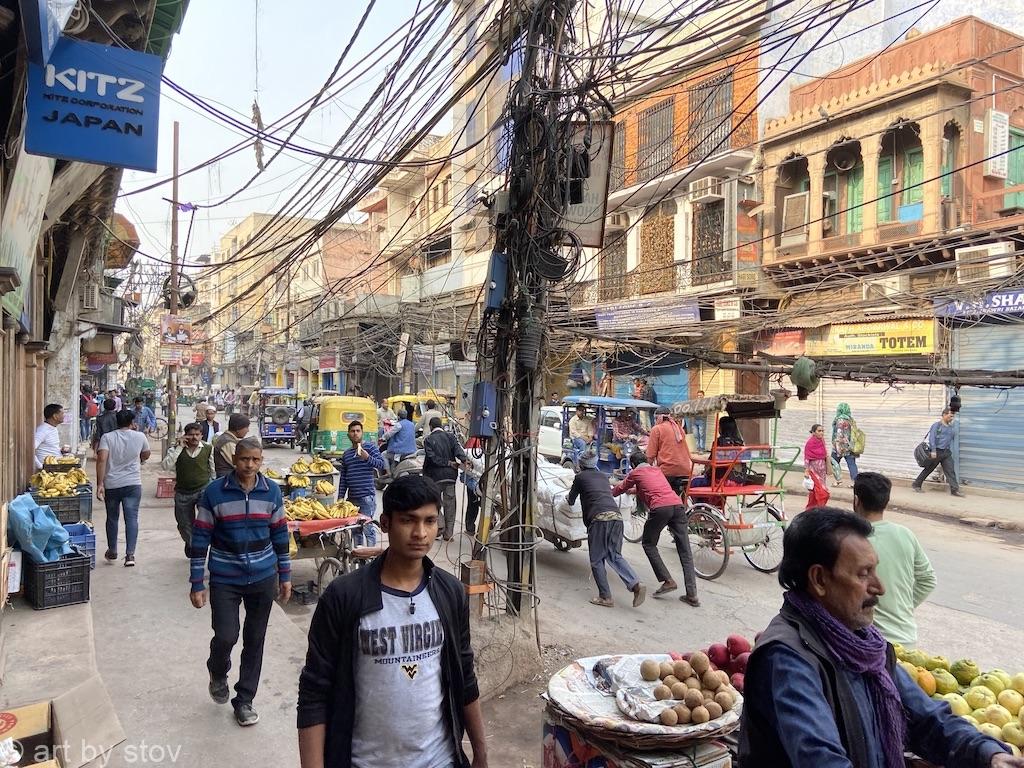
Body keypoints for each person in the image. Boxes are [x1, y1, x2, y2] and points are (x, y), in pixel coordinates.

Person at [738, 506, 1021, 768]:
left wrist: (990, 754)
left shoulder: (865, 646)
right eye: (864, 574)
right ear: (820, 580)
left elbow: (926, 719)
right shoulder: (788, 659)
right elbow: (822, 760)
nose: (879, 587)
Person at [297, 475, 488, 768]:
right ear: (385, 523)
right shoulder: (345, 596)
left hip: (439, 760)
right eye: (408, 521)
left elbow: (464, 677)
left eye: (429, 521)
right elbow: (314, 693)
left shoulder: (449, 593)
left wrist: (481, 754)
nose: (420, 533)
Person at [190, 437, 291, 727]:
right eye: (245, 459)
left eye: (256, 460)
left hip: (263, 577)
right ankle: (217, 670)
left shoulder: (271, 492)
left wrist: (284, 575)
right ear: (235, 459)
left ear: (261, 461)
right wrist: (197, 581)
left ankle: (244, 699)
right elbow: (200, 538)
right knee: (226, 636)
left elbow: (280, 536)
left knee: (255, 640)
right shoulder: (214, 493)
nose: (250, 465)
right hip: (225, 577)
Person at [852, 472, 935, 647]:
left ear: (856, 501)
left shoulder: (852, 542)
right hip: (907, 640)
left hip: (869, 643)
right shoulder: (905, 534)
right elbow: (928, 580)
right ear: (886, 502)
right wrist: (903, 608)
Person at [612, 452, 699, 607]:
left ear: (633, 465)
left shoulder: (636, 472)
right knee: (685, 551)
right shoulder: (656, 470)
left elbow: (620, 488)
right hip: (677, 506)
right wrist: (632, 491)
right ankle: (692, 595)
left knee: (648, 544)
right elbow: (649, 488)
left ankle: (668, 580)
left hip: (660, 508)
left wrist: (605, 492)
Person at [568, 449, 646, 609]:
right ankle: (635, 584)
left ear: (581, 465)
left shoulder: (580, 477)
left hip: (599, 520)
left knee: (597, 560)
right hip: (616, 519)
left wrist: (569, 498)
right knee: (615, 555)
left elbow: (570, 500)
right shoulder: (603, 477)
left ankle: (605, 597)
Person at [96, 410, 150, 567]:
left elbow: (101, 459)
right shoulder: (140, 436)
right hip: (133, 484)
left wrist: (100, 483)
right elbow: (146, 454)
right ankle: (130, 555)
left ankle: (112, 550)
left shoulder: (107, 437)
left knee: (112, 518)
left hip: (112, 484)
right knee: (131, 518)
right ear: (132, 422)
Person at [166, 422, 215, 557]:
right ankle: (191, 542)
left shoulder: (208, 448)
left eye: (197, 435)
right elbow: (166, 466)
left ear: (201, 436)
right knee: (184, 524)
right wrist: (178, 448)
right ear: (185, 436)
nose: (194, 438)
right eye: (191, 435)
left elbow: (213, 470)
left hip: (203, 489)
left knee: (206, 520)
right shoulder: (176, 449)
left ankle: (200, 548)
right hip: (182, 492)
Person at [336, 420, 386, 544]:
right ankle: (360, 561)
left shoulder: (369, 447)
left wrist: (367, 457)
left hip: (366, 498)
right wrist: (340, 497)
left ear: (362, 433)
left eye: (358, 431)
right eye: (352, 431)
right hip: (352, 499)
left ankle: (370, 560)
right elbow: (343, 479)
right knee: (355, 531)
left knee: (368, 530)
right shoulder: (347, 454)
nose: (355, 434)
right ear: (348, 434)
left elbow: (381, 464)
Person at [422, 416, 469, 541]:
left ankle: (440, 525)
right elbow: (459, 451)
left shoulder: (428, 440)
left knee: (434, 503)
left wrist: (447, 463)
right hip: (450, 477)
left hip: (434, 477)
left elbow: (432, 458)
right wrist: (465, 460)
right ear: (441, 426)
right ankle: (448, 534)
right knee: (450, 505)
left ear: (431, 427)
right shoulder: (451, 437)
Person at [913, 408, 964, 497]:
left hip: (946, 453)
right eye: (950, 416)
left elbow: (949, 440)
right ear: (944, 415)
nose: (951, 418)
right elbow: (932, 438)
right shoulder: (937, 425)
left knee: (950, 470)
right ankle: (916, 484)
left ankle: (954, 490)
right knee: (928, 469)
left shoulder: (950, 427)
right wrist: (933, 450)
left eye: (953, 416)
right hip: (936, 451)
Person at [646, 405, 692, 495]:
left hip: (667, 471)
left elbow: (650, 455)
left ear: (657, 418)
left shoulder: (657, 429)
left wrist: (647, 469)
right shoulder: (678, 428)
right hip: (685, 470)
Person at [831, 402, 859, 484]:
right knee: (852, 464)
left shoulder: (840, 420)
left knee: (833, 462)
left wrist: (837, 447)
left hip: (840, 446)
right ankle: (855, 482)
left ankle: (838, 480)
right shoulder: (850, 419)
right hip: (850, 446)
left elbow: (839, 434)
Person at [34, 403, 64, 469]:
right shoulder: (42, 431)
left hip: (57, 466)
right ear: (55, 416)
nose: (64, 416)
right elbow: (31, 450)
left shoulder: (53, 428)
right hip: (48, 470)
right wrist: (41, 466)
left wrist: (62, 450)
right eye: (62, 414)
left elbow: (51, 447)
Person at [567, 404, 596, 471]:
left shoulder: (587, 420)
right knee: (582, 444)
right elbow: (573, 432)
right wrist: (584, 438)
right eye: (580, 410)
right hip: (576, 438)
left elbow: (590, 429)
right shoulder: (573, 420)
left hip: (586, 438)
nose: (581, 412)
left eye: (583, 410)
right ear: (576, 411)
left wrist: (590, 437)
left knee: (595, 445)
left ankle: (592, 463)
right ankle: (580, 463)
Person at [803, 423, 829, 491]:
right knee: (815, 487)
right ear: (814, 432)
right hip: (813, 469)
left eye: (822, 431)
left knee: (822, 486)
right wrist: (806, 470)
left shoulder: (822, 441)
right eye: (819, 431)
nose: (821, 433)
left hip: (822, 468)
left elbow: (825, 453)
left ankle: (821, 501)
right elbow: (807, 458)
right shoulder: (810, 443)